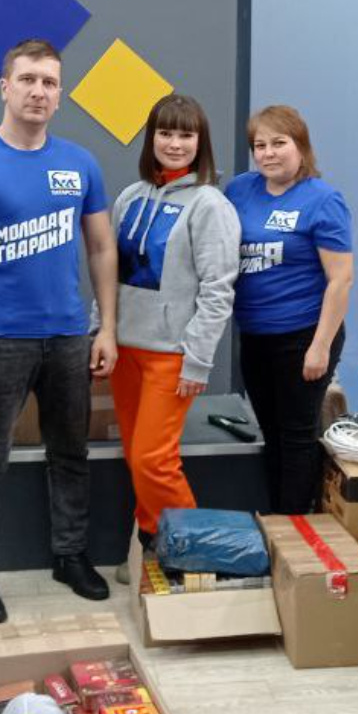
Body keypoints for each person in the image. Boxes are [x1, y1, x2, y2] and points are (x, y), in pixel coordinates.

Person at [0, 38, 119, 623]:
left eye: (49, 82)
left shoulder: (80, 164)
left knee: (71, 453)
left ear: (60, 94)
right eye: (28, 79)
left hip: (67, 337)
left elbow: (102, 248)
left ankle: (70, 556)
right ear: (5, 86)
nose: (39, 91)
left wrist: (106, 328)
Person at [108, 95, 238, 569]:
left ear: (201, 142)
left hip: (172, 354)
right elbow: (109, 275)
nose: (175, 143)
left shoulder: (210, 204)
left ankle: (199, 556)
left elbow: (218, 290)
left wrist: (197, 359)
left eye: (186, 134)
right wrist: (100, 332)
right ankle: (151, 541)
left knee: (153, 460)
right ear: (152, 139)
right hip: (124, 350)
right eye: (166, 133)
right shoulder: (130, 197)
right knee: (135, 456)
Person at [224, 105, 354, 514]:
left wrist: (320, 346)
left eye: (279, 143)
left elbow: (340, 280)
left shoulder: (323, 200)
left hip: (304, 335)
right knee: (271, 432)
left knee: (297, 436)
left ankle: (296, 525)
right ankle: (278, 521)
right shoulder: (239, 191)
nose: (268, 153)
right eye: (259, 145)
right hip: (255, 335)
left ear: (301, 146)